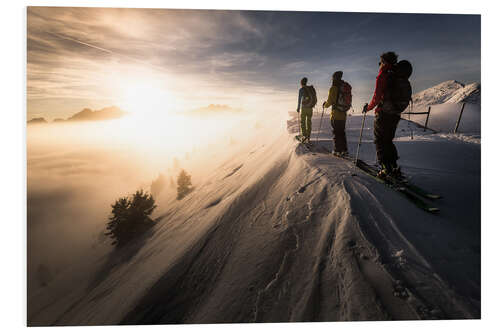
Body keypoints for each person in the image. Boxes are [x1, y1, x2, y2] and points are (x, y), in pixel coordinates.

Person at [363, 51, 403, 178]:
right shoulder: (398, 75)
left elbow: (376, 97)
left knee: (380, 141)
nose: (379, 65)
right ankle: (394, 167)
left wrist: (368, 108)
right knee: (388, 140)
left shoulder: (383, 75)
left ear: (384, 62)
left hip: (384, 113)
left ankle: (386, 169)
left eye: (380, 62)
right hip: (395, 113)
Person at [323, 71, 351, 156]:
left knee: (336, 132)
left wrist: (325, 105)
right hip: (343, 114)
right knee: (342, 132)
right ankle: (344, 150)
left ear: (334, 78)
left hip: (335, 114)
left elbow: (330, 101)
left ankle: (337, 150)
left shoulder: (333, 88)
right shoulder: (344, 87)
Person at [297, 77, 316, 143]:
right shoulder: (310, 89)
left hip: (304, 108)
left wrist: (298, 108)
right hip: (310, 108)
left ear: (301, 83)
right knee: (309, 122)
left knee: (303, 122)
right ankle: (308, 137)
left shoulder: (301, 90)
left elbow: (299, 100)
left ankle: (304, 136)